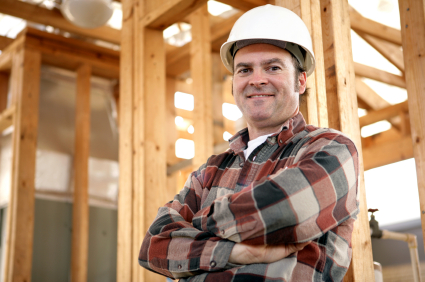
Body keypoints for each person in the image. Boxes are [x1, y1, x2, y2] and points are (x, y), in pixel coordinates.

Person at [139, 4, 359, 282]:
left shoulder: (330, 149)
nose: (257, 80)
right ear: (233, 85)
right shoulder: (211, 170)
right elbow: (153, 246)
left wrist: (196, 227)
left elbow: (282, 211)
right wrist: (239, 252)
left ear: (301, 81)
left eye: (273, 67)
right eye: (244, 70)